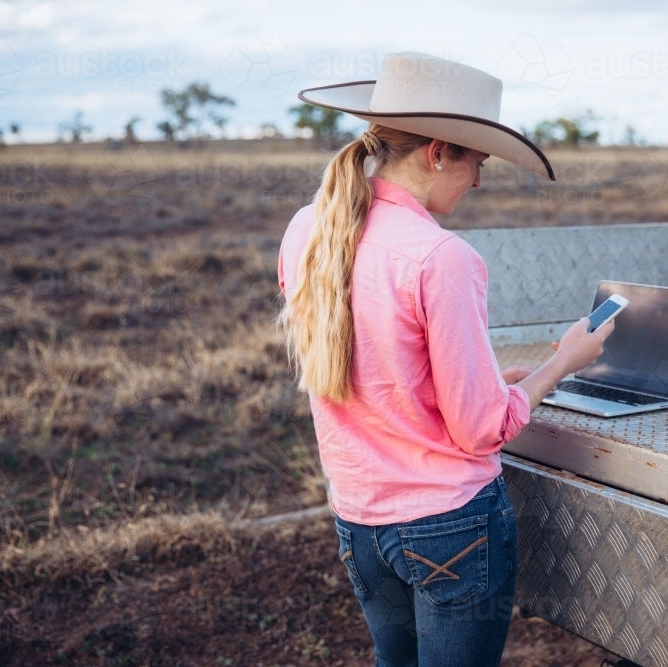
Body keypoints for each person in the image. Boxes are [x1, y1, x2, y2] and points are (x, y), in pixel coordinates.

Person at [276, 51, 615, 667]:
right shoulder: (442, 256)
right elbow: (482, 429)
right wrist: (561, 362)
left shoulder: (307, 228)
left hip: (358, 520)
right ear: (437, 152)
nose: (479, 180)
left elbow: (375, 369)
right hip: (449, 527)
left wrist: (487, 382)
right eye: (476, 161)